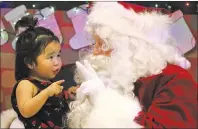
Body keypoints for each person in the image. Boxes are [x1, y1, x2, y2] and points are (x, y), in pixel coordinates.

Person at [67, 2, 197, 128]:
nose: (95, 52)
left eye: (102, 44)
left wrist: (106, 101)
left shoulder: (174, 80)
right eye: (94, 44)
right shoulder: (115, 79)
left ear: (130, 46)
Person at [11, 15, 69, 129]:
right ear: (30, 63)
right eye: (50, 57)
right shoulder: (26, 85)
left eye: (58, 55)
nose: (57, 62)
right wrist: (47, 92)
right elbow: (26, 110)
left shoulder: (48, 83)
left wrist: (67, 94)